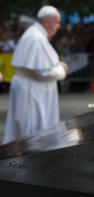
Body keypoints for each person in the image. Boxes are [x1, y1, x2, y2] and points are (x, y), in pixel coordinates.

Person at [2, 6, 67, 144]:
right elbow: (43, 72)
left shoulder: (35, 35)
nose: (58, 27)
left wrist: (56, 65)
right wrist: (60, 70)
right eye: (56, 22)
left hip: (31, 88)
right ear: (47, 22)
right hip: (31, 91)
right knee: (31, 131)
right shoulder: (36, 38)